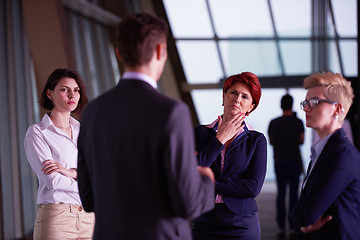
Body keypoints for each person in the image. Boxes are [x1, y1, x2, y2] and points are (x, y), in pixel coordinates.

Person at [77, 12, 215, 240]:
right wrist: (206, 179)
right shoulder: (172, 112)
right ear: (161, 50)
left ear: (118, 52)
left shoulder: (92, 111)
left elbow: (89, 199)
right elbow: (188, 205)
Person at [192, 72, 267, 240]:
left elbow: (252, 187)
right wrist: (219, 140)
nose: (237, 99)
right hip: (204, 221)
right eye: (233, 92)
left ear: (251, 107)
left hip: (241, 224)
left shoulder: (256, 140)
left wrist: (208, 181)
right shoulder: (201, 134)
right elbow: (189, 173)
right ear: (224, 96)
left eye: (245, 97)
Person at [24, 68, 94, 239]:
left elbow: (98, 172)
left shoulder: (83, 131)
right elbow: (53, 181)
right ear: (50, 94)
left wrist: (71, 173)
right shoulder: (37, 133)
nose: (72, 95)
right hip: (57, 218)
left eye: (76, 90)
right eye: (64, 89)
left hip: (89, 217)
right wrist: (88, 184)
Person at [289, 72, 360, 239]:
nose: (306, 108)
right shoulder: (323, 151)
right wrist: (299, 221)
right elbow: (301, 215)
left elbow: (305, 214)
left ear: (337, 108)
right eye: (305, 103)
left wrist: (299, 220)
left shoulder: (342, 155)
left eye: (314, 102)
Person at [268, 94, 304, 235]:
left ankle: (281, 225)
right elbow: (301, 141)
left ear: (281, 105)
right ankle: (293, 224)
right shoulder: (298, 122)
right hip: (294, 160)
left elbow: (271, 141)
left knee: (281, 193)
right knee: (294, 194)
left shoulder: (274, 122)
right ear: (292, 104)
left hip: (279, 160)